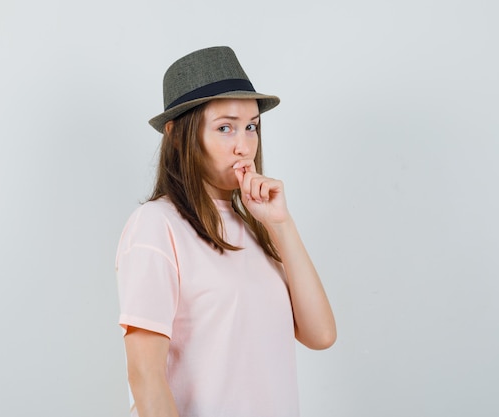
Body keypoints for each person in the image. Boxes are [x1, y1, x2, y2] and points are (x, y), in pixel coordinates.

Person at [115, 46, 336, 417]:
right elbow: (145, 375)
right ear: (177, 135)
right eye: (225, 128)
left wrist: (281, 224)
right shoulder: (157, 225)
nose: (244, 146)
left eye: (251, 126)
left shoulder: (257, 227)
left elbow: (321, 335)